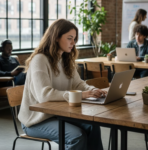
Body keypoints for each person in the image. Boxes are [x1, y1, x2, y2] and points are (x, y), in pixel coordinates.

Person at [18, 19, 107, 150]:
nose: (73, 43)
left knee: (93, 126)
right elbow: (44, 95)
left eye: (75, 39)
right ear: (56, 37)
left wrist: (94, 90)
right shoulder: (40, 59)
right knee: (77, 136)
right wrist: (81, 95)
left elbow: (78, 84)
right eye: (69, 38)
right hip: (35, 120)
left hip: (57, 114)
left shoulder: (66, 59)